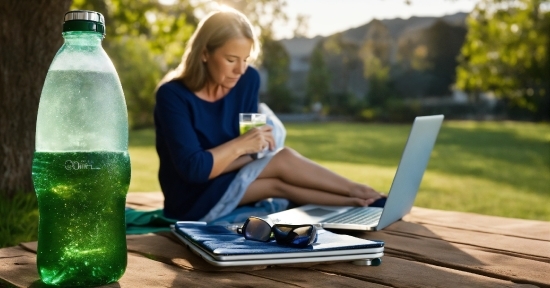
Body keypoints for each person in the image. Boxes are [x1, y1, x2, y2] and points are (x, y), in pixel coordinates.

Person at [154, 7, 383, 221]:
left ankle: (364, 203)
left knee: (278, 186)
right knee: (281, 160)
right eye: (231, 60)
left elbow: (257, 151)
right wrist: (242, 146)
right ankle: (358, 190)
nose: (239, 70)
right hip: (189, 202)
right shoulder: (172, 95)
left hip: (231, 179)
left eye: (245, 60)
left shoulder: (247, 80)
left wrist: (242, 152)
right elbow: (195, 170)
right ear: (204, 54)